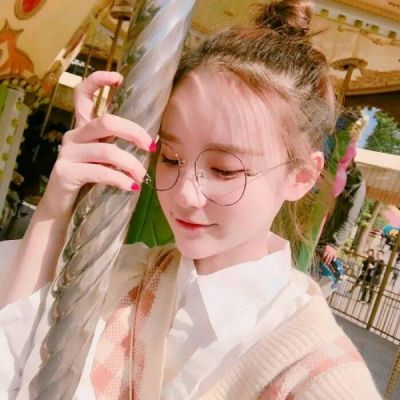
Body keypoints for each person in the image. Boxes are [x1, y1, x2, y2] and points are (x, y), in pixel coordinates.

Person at [0, 1, 382, 399]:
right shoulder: (124, 275)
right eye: (170, 158)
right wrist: (58, 202)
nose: (184, 192)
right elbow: (14, 353)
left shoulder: (320, 377)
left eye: (224, 170)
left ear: (301, 175)